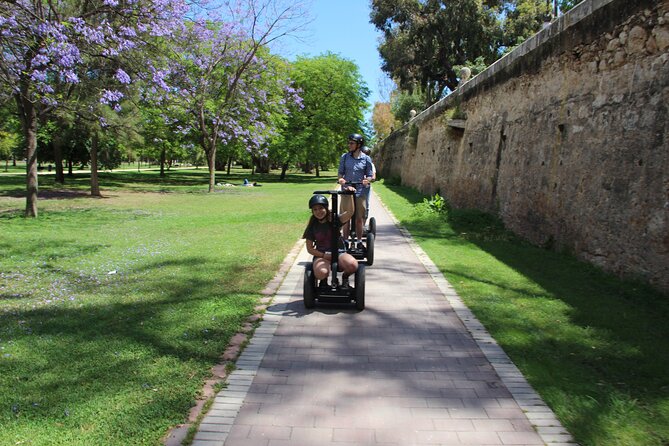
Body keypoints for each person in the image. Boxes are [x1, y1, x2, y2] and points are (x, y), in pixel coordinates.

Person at [303, 193, 358, 288]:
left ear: (326, 208)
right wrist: (324, 255)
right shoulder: (312, 226)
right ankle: (323, 282)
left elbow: (350, 212)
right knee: (322, 272)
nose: (318, 211)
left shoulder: (334, 219)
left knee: (353, 265)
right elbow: (310, 249)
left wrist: (350, 195)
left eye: (321, 208)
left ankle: (345, 278)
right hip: (322, 254)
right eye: (315, 209)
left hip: (339, 252)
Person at [338, 133, 374, 249]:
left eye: (351, 143)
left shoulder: (366, 159)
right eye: (349, 142)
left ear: (358, 145)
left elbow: (369, 175)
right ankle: (345, 241)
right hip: (347, 191)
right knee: (345, 218)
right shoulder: (345, 157)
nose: (349, 145)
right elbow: (340, 173)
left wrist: (367, 180)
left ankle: (359, 241)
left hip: (360, 192)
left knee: (359, 218)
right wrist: (341, 180)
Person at [361, 146, 377, 222]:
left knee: (365, 206)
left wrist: (369, 179)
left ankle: (363, 225)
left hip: (365, 188)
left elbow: (373, 176)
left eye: (367, 154)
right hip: (355, 187)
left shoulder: (370, 164)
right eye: (364, 154)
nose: (365, 156)